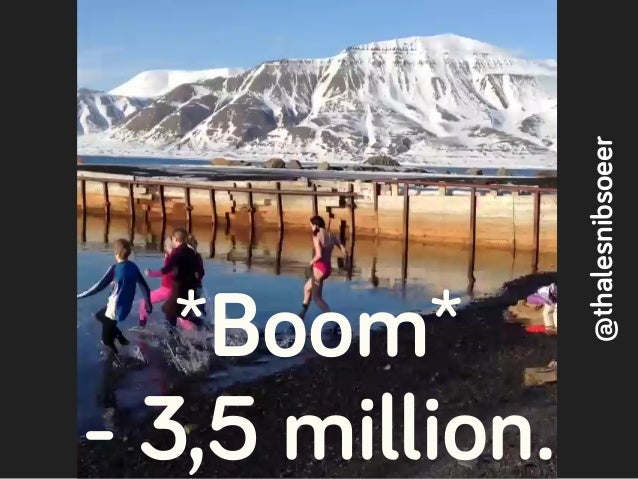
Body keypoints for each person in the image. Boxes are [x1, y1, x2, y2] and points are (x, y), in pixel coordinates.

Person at [77, 239, 152, 354]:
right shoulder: (133, 267)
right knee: (99, 315)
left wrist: (79, 296)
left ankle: (117, 358)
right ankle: (121, 338)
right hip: (126, 307)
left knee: (106, 341)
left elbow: (97, 287)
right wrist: (148, 303)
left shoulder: (115, 268)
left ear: (116, 253)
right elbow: (144, 286)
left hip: (113, 309)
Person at [298, 215, 348, 320]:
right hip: (327, 268)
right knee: (307, 288)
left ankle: (333, 320)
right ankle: (302, 314)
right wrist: (347, 260)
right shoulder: (331, 235)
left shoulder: (316, 236)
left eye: (311, 226)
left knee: (317, 298)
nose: (311, 228)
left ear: (316, 225)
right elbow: (343, 248)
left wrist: (310, 263)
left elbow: (319, 255)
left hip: (319, 268)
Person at [161, 228, 203, 328]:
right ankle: (202, 327)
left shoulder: (184, 255)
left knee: (175, 313)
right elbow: (199, 274)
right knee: (185, 314)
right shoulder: (195, 256)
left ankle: (175, 332)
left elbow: (171, 272)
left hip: (185, 289)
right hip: (194, 289)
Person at [137, 238, 174, 328]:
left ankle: (142, 326)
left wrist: (150, 274)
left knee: (144, 302)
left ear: (166, 247)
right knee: (179, 313)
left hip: (166, 290)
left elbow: (165, 272)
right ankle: (197, 328)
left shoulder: (170, 259)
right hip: (176, 290)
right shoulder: (178, 258)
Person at [186, 233, 206, 317]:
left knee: (189, 311)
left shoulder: (192, 256)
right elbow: (201, 272)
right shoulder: (197, 256)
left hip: (193, 287)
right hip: (197, 286)